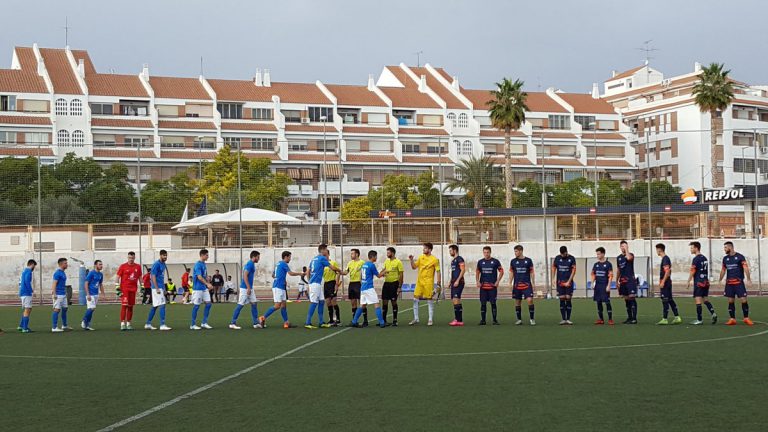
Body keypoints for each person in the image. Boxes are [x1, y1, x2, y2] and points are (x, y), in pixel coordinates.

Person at [260, 251, 303, 328]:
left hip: (281, 286)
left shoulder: (278, 264)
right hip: (278, 287)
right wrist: (300, 274)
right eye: (289, 257)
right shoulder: (284, 264)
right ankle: (263, 317)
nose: (290, 259)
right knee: (277, 306)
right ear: (286, 257)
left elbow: (273, 275)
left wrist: (282, 279)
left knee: (283, 306)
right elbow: (290, 273)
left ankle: (286, 323)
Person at [305, 244, 341, 329]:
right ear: (323, 250)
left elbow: (308, 271)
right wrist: (341, 271)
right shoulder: (322, 258)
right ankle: (308, 322)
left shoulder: (314, 259)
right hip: (315, 284)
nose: (326, 251)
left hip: (317, 284)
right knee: (314, 303)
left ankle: (321, 322)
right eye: (326, 249)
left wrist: (309, 280)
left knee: (321, 301)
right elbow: (332, 267)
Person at [719, 241, 754, 326]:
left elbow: (745, 268)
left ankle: (746, 318)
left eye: (725, 248)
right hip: (729, 283)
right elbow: (723, 270)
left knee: (743, 300)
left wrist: (748, 279)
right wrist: (720, 279)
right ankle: (732, 319)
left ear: (730, 247)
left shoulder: (740, 257)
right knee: (730, 301)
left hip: (739, 283)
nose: (724, 249)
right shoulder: (725, 258)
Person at [351, 250, 388, 328]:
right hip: (369, 288)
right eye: (376, 256)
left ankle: (354, 321)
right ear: (373, 257)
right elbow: (378, 275)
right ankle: (382, 322)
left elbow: (361, 277)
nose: (376, 258)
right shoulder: (371, 265)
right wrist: (385, 271)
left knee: (362, 305)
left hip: (363, 288)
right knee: (377, 304)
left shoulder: (364, 264)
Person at [408, 242, 441, 326]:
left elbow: (438, 271)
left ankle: (430, 319)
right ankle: (416, 318)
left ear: (430, 249)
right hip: (419, 282)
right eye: (423, 248)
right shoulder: (421, 257)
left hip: (428, 283)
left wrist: (438, 283)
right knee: (415, 299)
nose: (423, 250)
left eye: (425, 248)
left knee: (429, 300)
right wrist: (411, 260)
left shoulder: (434, 259)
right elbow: (414, 267)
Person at [686, 241, 717, 325]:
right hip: (705, 282)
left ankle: (699, 320)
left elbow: (693, 270)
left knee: (698, 300)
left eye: (692, 248)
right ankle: (713, 313)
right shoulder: (704, 258)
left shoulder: (696, 259)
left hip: (699, 282)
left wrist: (688, 280)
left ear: (696, 248)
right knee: (706, 299)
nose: (691, 249)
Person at [229, 250, 261, 330]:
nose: (259, 259)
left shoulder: (252, 264)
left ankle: (256, 323)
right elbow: (245, 276)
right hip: (245, 288)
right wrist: (248, 287)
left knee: (254, 303)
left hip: (250, 288)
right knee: (240, 305)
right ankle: (232, 323)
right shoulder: (249, 264)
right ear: (254, 257)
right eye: (258, 257)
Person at [476, 246, 503, 326]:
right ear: (483, 253)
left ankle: (494, 320)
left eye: (487, 252)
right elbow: (477, 272)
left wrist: (498, 281)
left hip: (492, 287)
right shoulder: (480, 262)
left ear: (490, 252)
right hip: (483, 287)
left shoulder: (495, 261)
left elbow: (501, 271)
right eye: (484, 252)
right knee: (483, 303)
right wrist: (477, 281)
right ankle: (483, 320)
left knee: (493, 303)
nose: (486, 254)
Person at [509, 245, 536, 326]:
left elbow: (532, 272)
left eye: (516, 251)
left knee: (530, 300)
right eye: (514, 251)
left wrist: (533, 282)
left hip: (527, 285)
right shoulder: (513, 261)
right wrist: (510, 282)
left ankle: (532, 319)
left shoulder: (528, 260)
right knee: (517, 302)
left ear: (521, 251)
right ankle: (519, 319)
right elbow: (511, 272)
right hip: (517, 285)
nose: (515, 253)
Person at [655, 243, 682, 325]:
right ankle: (677, 317)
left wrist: (663, 281)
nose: (656, 251)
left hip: (666, 283)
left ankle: (665, 318)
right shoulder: (665, 259)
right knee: (670, 300)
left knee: (665, 300)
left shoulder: (665, 259)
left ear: (659, 250)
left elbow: (667, 271)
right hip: (668, 282)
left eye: (657, 249)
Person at [146, 250, 171, 331]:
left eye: (166, 255)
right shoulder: (156, 264)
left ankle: (148, 323)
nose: (165, 257)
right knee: (162, 305)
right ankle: (162, 325)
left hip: (160, 287)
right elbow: (153, 276)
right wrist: (157, 288)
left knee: (155, 306)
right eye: (164, 255)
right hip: (156, 288)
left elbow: (161, 278)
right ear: (160, 255)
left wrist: (163, 289)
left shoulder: (163, 264)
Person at [116, 251, 142, 330]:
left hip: (133, 289)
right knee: (124, 305)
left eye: (132, 258)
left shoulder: (138, 266)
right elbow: (117, 277)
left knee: (130, 307)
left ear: (134, 258)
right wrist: (117, 288)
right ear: (127, 257)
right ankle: (122, 323)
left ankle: (129, 323)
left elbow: (140, 277)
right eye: (129, 258)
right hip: (124, 289)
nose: (131, 259)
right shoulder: (123, 266)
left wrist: (143, 286)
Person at [190, 249, 214, 330]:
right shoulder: (198, 265)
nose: (208, 256)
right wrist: (207, 284)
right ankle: (193, 324)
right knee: (196, 306)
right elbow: (199, 277)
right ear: (202, 255)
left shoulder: (204, 264)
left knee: (208, 304)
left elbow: (204, 275)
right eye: (207, 255)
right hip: (197, 289)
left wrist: (208, 280)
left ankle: (204, 323)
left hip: (204, 288)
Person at [552, 246, 576, 325]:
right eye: (561, 254)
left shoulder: (572, 258)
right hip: (560, 282)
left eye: (564, 253)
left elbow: (573, 271)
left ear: (566, 252)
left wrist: (569, 281)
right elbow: (554, 268)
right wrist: (553, 279)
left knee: (568, 298)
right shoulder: (557, 258)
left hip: (568, 282)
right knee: (562, 299)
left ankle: (568, 319)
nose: (562, 255)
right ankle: (563, 319)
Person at [616, 240, 638, 324]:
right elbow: (618, 269)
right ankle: (629, 317)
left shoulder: (630, 255)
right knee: (626, 299)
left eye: (625, 246)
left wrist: (627, 250)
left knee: (632, 297)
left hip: (630, 281)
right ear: (620, 247)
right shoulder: (619, 258)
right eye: (622, 246)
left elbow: (629, 258)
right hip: (623, 281)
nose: (623, 247)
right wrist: (617, 280)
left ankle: (634, 318)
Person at [381, 247, 404, 326]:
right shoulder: (386, 261)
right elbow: (383, 271)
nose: (387, 254)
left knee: (393, 301)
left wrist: (399, 286)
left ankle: (395, 320)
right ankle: (383, 321)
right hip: (386, 283)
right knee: (384, 301)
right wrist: (383, 273)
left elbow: (401, 275)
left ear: (393, 253)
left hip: (394, 284)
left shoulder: (398, 262)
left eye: (388, 253)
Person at [591, 247, 614, 325]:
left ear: (603, 254)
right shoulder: (596, 265)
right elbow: (593, 274)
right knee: (598, 302)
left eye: (599, 254)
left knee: (607, 302)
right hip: (598, 286)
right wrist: (592, 282)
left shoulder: (608, 264)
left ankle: (610, 319)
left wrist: (608, 286)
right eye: (597, 254)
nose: (597, 255)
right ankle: (601, 319)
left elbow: (610, 275)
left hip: (605, 286)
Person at [81, 260, 105, 331]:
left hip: (96, 294)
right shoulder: (91, 273)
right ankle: (84, 320)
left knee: (92, 309)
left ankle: (87, 325)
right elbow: (86, 283)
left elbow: (100, 284)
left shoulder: (101, 274)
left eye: (101, 264)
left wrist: (103, 293)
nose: (101, 266)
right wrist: (88, 294)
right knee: (91, 308)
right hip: (90, 294)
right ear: (95, 265)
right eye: (100, 264)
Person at [343, 249, 365, 326]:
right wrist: (339, 271)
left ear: (357, 254)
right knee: (353, 303)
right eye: (351, 253)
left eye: (352, 253)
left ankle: (365, 321)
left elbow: (365, 272)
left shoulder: (362, 263)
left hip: (359, 283)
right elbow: (346, 272)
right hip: (351, 284)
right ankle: (354, 321)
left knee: (362, 303)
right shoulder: (349, 263)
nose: (351, 255)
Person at [448, 244, 467, 326]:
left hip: (459, 282)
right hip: (454, 282)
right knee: (455, 300)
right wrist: (450, 282)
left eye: (450, 250)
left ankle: (458, 320)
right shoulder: (453, 261)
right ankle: (459, 320)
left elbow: (463, 270)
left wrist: (458, 280)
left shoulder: (460, 259)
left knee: (456, 299)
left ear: (454, 250)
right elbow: (453, 272)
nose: (450, 252)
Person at [51, 257, 70, 332]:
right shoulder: (57, 273)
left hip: (63, 293)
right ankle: (54, 327)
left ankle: (64, 325)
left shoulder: (63, 272)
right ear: (61, 264)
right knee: (57, 309)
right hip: (58, 294)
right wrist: (54, 294)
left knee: (65, 309)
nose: (67, 264)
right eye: (65, 263)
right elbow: (54, 283)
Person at [323, 253, 342, 326]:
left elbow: (338, 273)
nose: (324, 256)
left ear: (328, 254)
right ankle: (331, 320)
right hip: (326, 284)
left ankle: (338, 320)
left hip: (332, 283)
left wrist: (336, 283)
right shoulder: (323, 264)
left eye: (325, 255)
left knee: (333, 301)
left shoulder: (333, 263)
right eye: (323, 255)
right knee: (328, 302)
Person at [18, 259, 36, 333]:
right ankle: (25, 328)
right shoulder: (28, 272)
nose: (34, 268)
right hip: (26, 293)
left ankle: (21, 325)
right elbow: (26, 281)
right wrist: (31, 291)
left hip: (22, 292)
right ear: (32, 265)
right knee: (27, 309)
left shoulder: (24, 271)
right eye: (34, 266)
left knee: (27, 309)